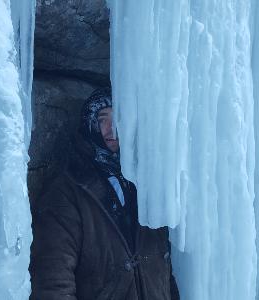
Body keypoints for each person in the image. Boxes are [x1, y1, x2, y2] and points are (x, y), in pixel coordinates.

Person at [29, 88, 180, 300]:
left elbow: (165, 274)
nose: (113, 129)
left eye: (118, 119)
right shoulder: (67, 192)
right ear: (89, 125)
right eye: (103, 119)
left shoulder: (144, 187)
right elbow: (53, 278)